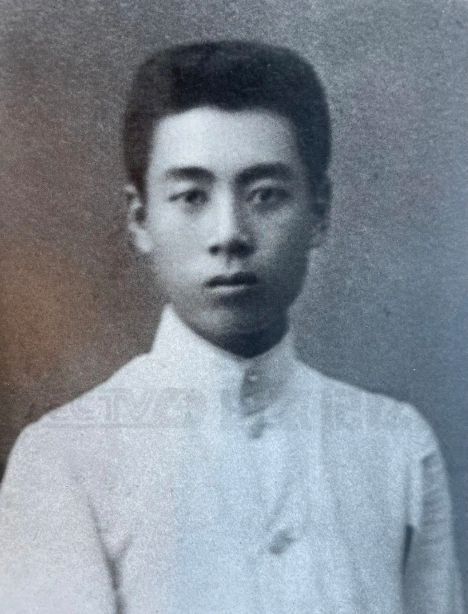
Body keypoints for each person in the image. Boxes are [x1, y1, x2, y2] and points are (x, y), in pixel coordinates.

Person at [0, 41, 463, 614]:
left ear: (319, 211)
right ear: (140, 219)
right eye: (191, 196)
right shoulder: (67, 457)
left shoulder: (396, 446)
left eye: (265, 195)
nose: (230, 235)